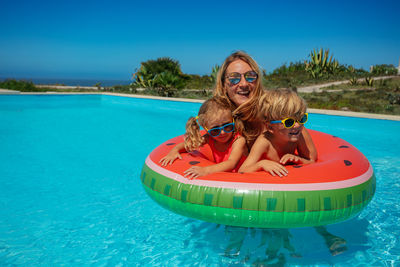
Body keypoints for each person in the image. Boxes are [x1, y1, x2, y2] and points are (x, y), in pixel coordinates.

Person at [159, 97, 247, 179]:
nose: (223, 132)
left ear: (232, 121)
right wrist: (174, 151)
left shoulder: (238, 140)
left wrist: (206, 170)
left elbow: (231, 163)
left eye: (227, 126)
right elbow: (187, 145)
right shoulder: (209, 138)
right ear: (206, 128)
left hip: (240, 178)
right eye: (215, 130)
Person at [238, 88, 317, 176]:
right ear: (270, 127)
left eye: (301, 119)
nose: (297, 125)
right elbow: (242, 170)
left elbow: (312, 161)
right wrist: (262, 164)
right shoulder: (264, 142)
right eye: (289, 122)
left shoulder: (298, 134)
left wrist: (299, 160)